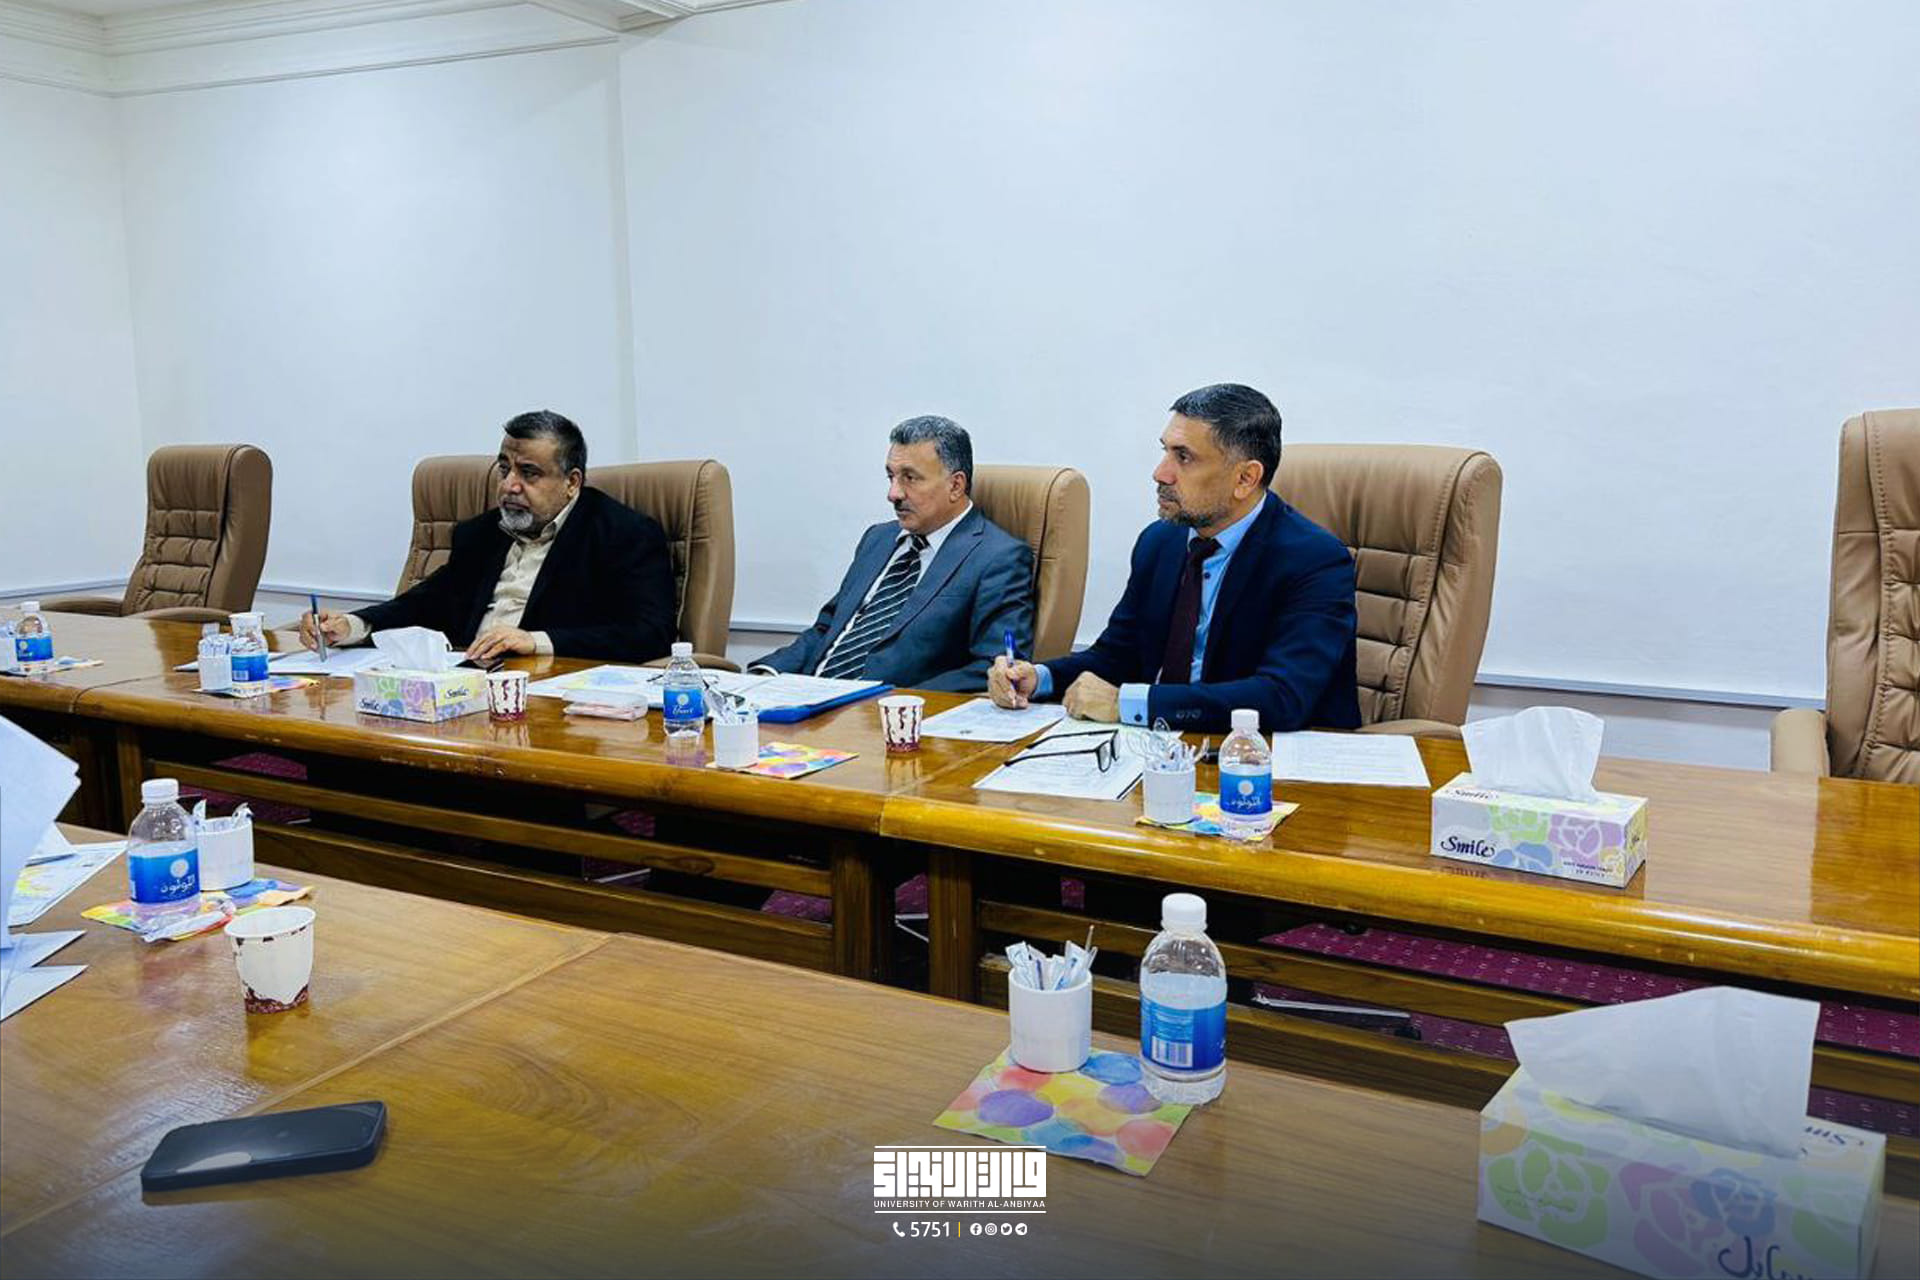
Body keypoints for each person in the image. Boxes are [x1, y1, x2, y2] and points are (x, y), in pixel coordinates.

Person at [988, 384, 1359, 731]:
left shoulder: (1315, 560)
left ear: (1245, 478)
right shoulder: (1160, 542)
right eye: (1165, 451)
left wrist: (1132, 704)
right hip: (1165, 750)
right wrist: (1038, 677)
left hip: (1270, 760)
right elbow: (1117, 656)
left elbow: (1283, 696)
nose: (1160, 473)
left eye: (1184, 457)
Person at [301, 410, 676, 663]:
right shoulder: (481, 533)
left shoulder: (623, 534)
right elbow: (427, 602)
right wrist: (352, 625)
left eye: (528, 473)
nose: (509, 485)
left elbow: (650, 633)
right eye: (504, 468)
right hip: (465, 681)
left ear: (571, 483)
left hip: (549, 692)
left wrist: (536, 641)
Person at [752, 415, 1033, 691]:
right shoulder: (878, 539)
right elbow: (828, 629)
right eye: (891, 477)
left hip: (889, 712)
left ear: (955, 485)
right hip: (806, 700)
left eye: (910, 478)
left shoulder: (999, 557)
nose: (893, 494)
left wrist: (893, 702)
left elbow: (994, 667)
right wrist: (765, 676)